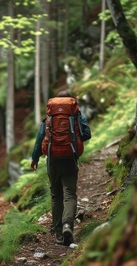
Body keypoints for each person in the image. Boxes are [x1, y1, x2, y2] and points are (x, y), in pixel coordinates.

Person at [30, 90, 91, 246]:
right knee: (69, 194)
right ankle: (67, 225)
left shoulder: (49, 118)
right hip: (70, 159)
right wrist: (74, 138)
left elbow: (39, 140)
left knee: (56, 196)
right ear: (71, 102)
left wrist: (35, 158)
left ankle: (58, 234)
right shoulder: (76, 116)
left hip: (53, 161)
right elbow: (87, 134)